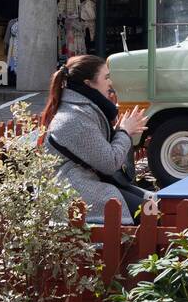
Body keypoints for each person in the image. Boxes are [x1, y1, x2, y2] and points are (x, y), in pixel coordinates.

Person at [41, 55, 149, 225]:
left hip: (88, 184)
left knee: (154, 205)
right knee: (152, 214)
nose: (110, 83)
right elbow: (109, 162)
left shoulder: (80, 109)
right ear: (88, 83)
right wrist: (125, 132)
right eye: (106, 77)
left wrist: (119, 132)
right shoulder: (75, 118)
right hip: (78, 193)